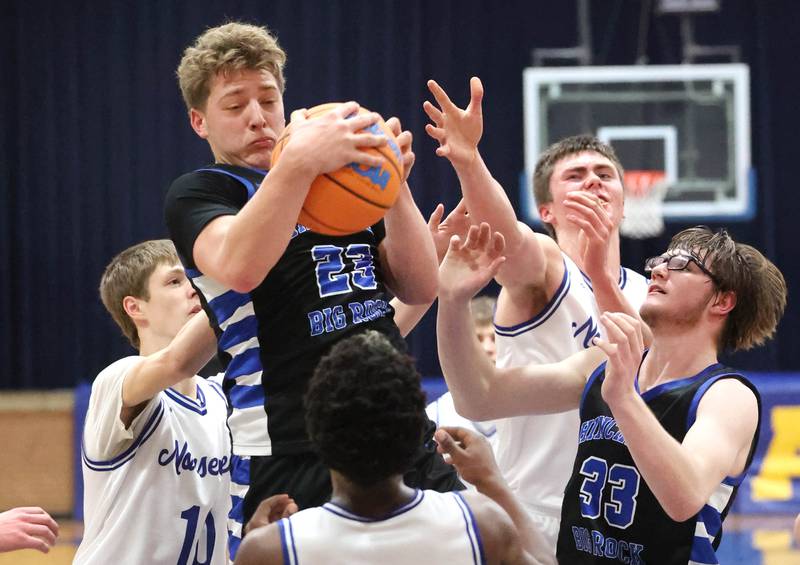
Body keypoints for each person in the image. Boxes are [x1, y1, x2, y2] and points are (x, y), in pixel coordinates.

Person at [165, 22, 457, 558]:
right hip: (291, 445)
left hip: (397, 427)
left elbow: (418, 284)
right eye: (235, 106)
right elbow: (240, 266)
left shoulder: (332, 181)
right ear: (198, 120)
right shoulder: (202, 192)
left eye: (268, 99)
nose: (257, 116)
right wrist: (298, 160)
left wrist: (391, 184)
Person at [436, 223, 787, 564]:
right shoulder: (604, 365)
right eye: (661, 261)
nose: (660, 270)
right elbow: (479, 398)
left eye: (682, 265)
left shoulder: (726, 396)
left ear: (722, 301)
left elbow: (685, 497)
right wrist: (453, 300)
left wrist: (623, 397)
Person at [424, 77, 649, 560]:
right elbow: (507, 237)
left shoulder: (650, 292)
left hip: (620, 522)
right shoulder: (548, 266)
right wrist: (468, 158)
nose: (593, 180)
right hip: (534, 511)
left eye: (604, 174)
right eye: (575, 176)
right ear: (546, 209)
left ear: (625, 202)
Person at [234, 331, 543, 565]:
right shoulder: (481, 523)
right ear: (416, 434)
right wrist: (491, 482)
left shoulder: (272, 550)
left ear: (314, 435)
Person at [74, 240, 231, 564]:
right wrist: (240, 280)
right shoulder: (117, 380)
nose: (194, 290)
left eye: (193, 278)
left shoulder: (221, 397)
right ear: (135, 307)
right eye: (175, 281)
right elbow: (176, 363)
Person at [427, 295, 498, 451]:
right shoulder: (435, 416)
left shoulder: (534, 413)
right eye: (478, 338)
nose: (487, 348)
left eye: (495, 338)